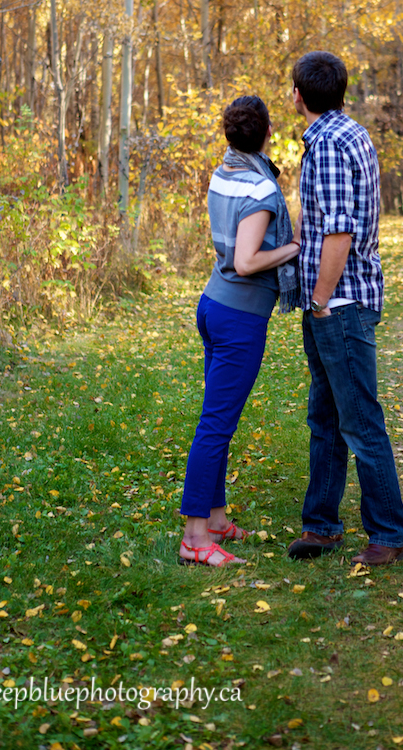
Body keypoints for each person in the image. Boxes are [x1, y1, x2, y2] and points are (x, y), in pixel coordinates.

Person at [287, 51, 403, 567]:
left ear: (298, 95)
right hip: (333, 302)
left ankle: (388, 534)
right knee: (326, 416)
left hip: (338, 304)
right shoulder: (347, 133)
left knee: (359, 420)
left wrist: (318, 301)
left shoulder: (331, 144)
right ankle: (321, 525)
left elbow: (340, 231)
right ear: (340, 91)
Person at [179, 95, 300, 567]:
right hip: (239, 318)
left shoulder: (223, 172)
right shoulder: (260, 189)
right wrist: (292, 246)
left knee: (217, 422)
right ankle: (194, 539)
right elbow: (247, 261)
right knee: (215, 427)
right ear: (267, 132)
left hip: (213, 305)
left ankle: (215, 519)